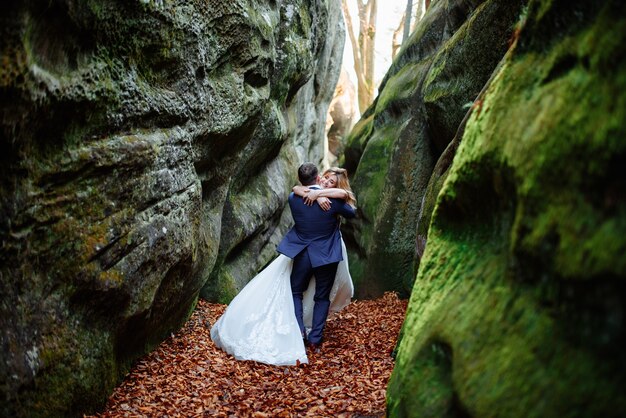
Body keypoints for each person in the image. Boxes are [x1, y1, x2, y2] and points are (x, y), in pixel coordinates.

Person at [210, 164, 356, 365]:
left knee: (296, 291)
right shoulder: (334, 203)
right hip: (326, 256)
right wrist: (327, 195)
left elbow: (298, 190)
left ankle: (299, 332)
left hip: (302, 253)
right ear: (318, 178)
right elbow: (351, 212)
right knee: (322, 296)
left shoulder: (293, 197)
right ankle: (315, 340)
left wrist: (318, 193)